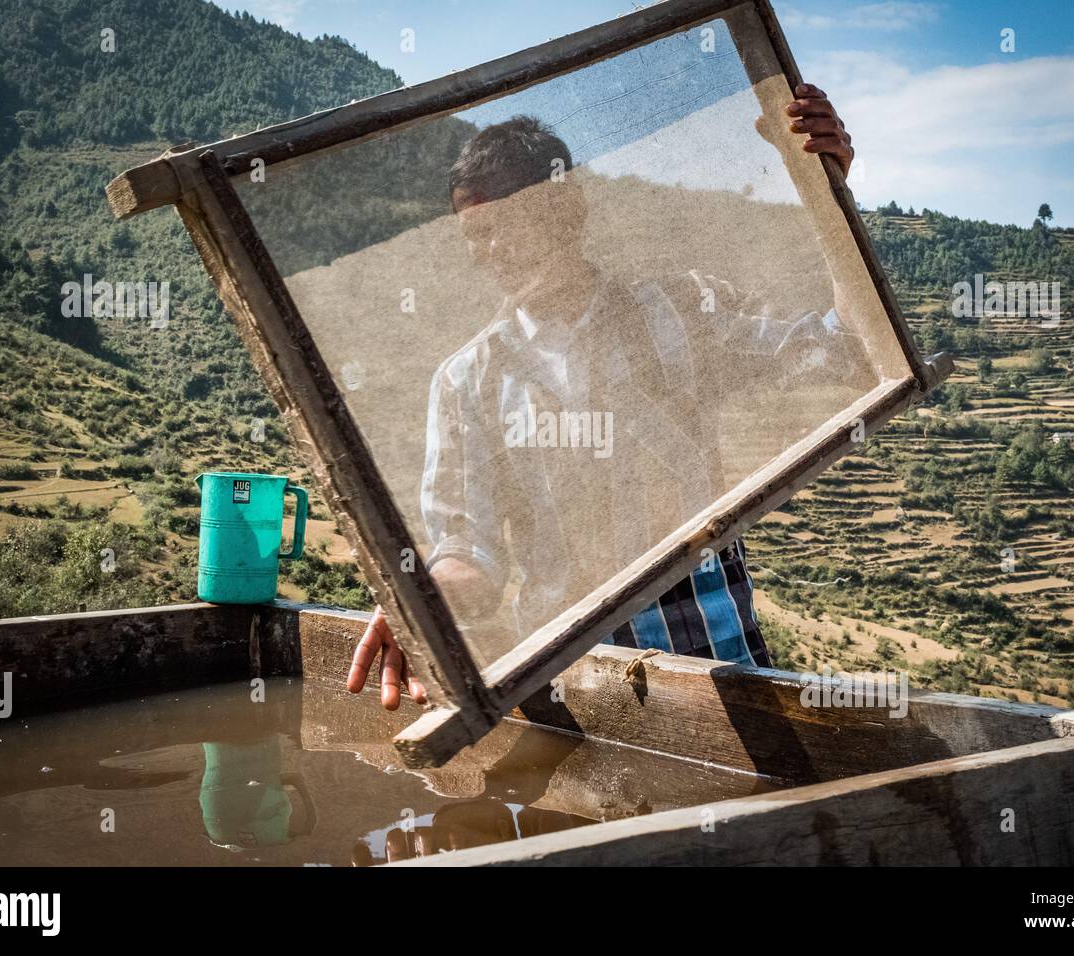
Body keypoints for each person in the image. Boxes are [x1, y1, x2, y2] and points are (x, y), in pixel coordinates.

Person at [348, 84, 864, 710]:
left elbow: (845, 349)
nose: (492, 251)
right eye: (475, 234)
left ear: (566, 211)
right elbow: (468, 549)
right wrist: (421, 601)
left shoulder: (681, 314)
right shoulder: (466, 382)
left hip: (722, 679)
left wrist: (827, 192)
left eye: (508, 223)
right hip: (570, 699)